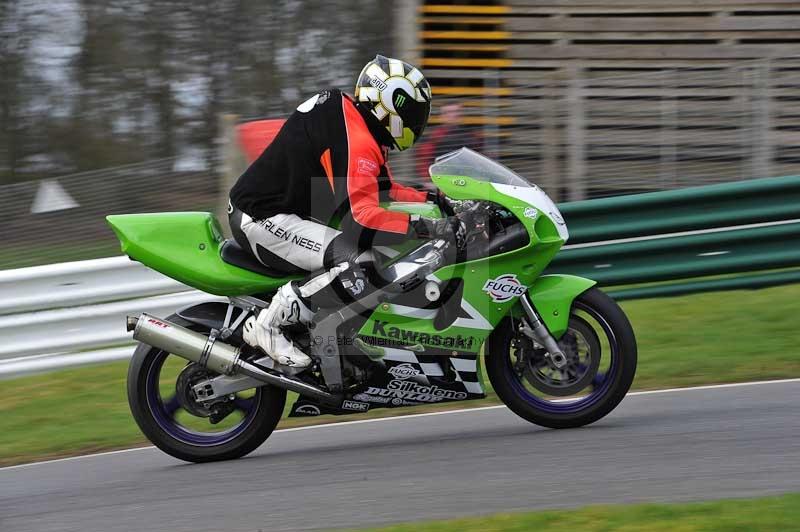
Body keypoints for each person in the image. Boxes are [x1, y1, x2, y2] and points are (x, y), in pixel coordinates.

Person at [228, 55, 466, 368]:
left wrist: (435, 200)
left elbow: (382, 191)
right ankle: (268, 325)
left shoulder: (353, 122)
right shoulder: (356, 138)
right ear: (388, 105)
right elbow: (363, 218)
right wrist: (427, 227)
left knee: (369, 256)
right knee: (360, 262)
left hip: (278, 214)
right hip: (262, 217)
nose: (417, 121)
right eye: (412, 112)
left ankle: (332, 340)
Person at [415, 103, 482, 178]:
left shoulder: (471, 135)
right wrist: (428, 180)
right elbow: (424, 161)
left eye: (457, 111)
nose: (455, 115)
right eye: (450, 112)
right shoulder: (435, 137)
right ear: (441, 117)